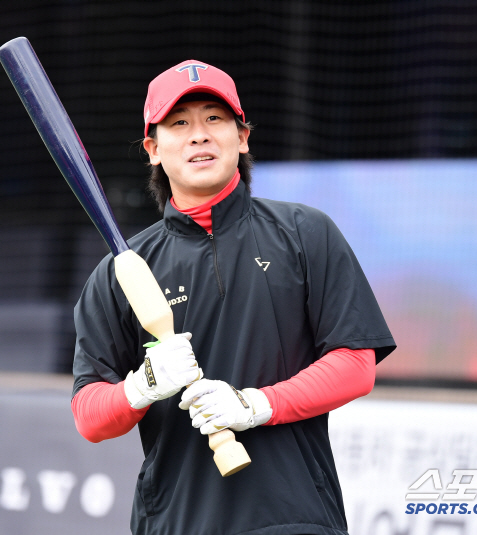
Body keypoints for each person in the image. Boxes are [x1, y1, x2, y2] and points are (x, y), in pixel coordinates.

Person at [71, 59, 396, 535]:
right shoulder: (121, 271)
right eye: (178, 123)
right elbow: (89, 415)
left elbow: (355, 363)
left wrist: (254, 405)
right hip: (177, 521)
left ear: (242, 137)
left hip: (296, 517)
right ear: (152, 148)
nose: (198, 134)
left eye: (214, 118)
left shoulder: (306, 233)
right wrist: (140, 387)